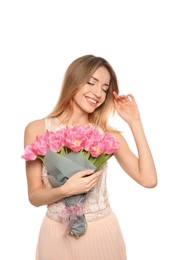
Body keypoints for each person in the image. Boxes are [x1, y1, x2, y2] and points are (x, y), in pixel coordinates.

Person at [23, 54, 157, 260]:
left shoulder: (108, 135)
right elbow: (34, 196)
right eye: (91, 82)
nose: (98, 93)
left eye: (104, 88)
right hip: (54, 236)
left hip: (100, 233)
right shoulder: (37, 129)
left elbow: (148, 180)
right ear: (73, 81)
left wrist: (135, 122)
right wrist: (65, 190)